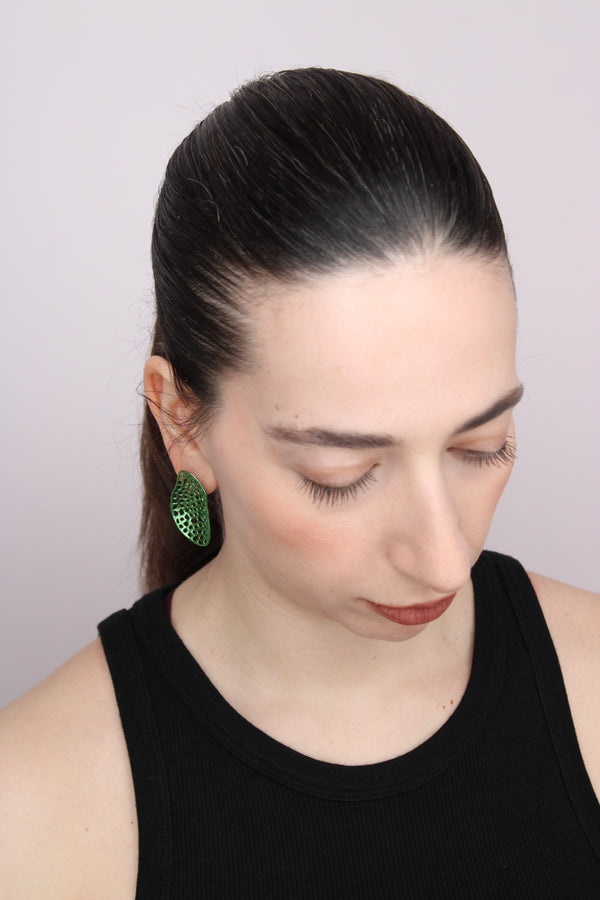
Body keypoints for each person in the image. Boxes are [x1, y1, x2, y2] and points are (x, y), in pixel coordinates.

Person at [1, 67, 599, 898]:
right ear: (181, 420)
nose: (444, 560)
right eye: (341, 475)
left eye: (481, 445)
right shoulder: (29, 812)